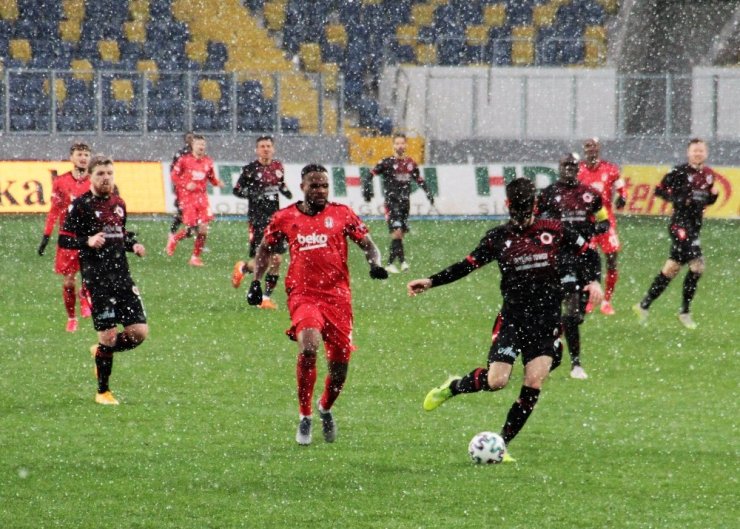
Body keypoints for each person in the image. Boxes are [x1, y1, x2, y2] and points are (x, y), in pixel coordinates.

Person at [409, 178, 603, 461]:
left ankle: (502, 444)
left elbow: (589, 253)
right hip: (513, 319)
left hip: (546, 321)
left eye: (528, 207)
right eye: (519, 207)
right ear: (508, 206)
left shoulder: (556, 230)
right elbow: (467, 265)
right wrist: (431, 281)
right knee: (497, 380)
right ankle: (453, 387)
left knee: (533, 382)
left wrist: (594, 281)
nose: (523, 212)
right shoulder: (498, 238)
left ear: (535, 205)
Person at [247, 164, 388, 445]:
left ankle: (325, 407)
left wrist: (375, 265)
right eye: (314, 185)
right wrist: (256, 281)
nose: (320, 190)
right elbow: (265, 247)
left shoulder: (342, 214)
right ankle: (305, 416)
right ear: (302, 187)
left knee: (339, 369)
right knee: (309, 346)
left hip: (337, 298)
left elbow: (369, 244)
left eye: (324, 185)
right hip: (303, 294)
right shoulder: (285, 217)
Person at [58, 155, 149, 405]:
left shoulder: (119, 203)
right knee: (108, 336)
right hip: (97, 280)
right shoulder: (81, 206)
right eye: (101, 174)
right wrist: (86, 241)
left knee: (139, 332)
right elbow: (64, 239)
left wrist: (134, 244)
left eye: (109, 173)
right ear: (91, 176)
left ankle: (101, 352)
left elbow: (119, 233)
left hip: (122, 277)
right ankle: (103, 392)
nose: (106, 177)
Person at [633, 138, 720, 330]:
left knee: (671, 269)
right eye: (694, 151)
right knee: (697, 266)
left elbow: (707, 200)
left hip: (694, 226)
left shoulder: (708, 175)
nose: (698, 154)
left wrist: (714, 196)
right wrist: (678, 199)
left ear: (706, 153)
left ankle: (643, 304)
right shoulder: (679, 171)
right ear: (688, 153)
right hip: (679, 225)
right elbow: (659, 191)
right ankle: (685, 312)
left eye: (701, 151)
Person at [537, 153, 610, 380]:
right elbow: (536, 223)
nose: (569, 169)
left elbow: (604, 220)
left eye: (572, 165)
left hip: (585, 258)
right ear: (559, 168)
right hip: (559, 258)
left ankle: (557, 336)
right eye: (565, 165)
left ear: (578, 168)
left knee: (576, 316)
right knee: (569, 305)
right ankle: (575, 364)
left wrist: (595, 231)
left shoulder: (591, 195)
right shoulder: (548, 194)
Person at [231, 135, 293, 310]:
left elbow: (280, 184)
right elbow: (237, 190)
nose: (265, 149)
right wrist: (251, 194)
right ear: (257, 150)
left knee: (277, 259)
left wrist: (286, 191)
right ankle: (243, 268)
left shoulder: (278, 167)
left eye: (268, 146)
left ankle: (265, 298)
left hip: (276, 219)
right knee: (263, 259)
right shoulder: (250, 169)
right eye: (262, 146)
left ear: (273, 149)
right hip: (258, 219)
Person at [38, 142, 93, 332]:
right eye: (79, 154)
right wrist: (46, 235)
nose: (83, 158)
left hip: (88, 236)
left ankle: (86, 298)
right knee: (69, 280)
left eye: (86, 155)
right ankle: (72, 317)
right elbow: (54, 210)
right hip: (68, 236)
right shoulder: (61, 182)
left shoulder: (94, 181)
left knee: (90, 275)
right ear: (72, 158)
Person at [363, 133, 435, 273]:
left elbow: (419, 180)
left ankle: (394, 263)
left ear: (406, 145)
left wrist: (428, 193)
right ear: (393, 145)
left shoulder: (410, 163)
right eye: (397, 143)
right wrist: (367, 189)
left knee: (400, 234)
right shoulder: (387, 162)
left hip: (404, 203)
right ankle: (400, 263)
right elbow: (370, 175)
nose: (400, 146)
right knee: (396, 233)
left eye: (402, 143)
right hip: (391, 203)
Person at [578, 137, 626, 315]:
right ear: (584, 149)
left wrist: (623, 196)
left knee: (612, 260)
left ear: (599, 148)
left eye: (594, 146)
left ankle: (607, 300)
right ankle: (590, 299)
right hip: (586, 223)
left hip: (606, 221)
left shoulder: (609, 169)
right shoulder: (579, 170)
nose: (591, 149)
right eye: (588, 146)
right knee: (587, 261)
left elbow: (621, 185)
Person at [166, 134, 225, 266]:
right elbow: (174, 176)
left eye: (203, 144)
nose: (201, 147)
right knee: (192, 229)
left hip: (202, 198)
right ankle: (174, 239)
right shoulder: (183, 160)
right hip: (187, 198)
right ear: (193, 145)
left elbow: (211, 177)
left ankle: (195, 257)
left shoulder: (208, 161)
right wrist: (185, 184)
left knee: (203, 228)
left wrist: (217, 183)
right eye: (198, 144)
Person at [168, 131, 194, 238]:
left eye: (192, 138)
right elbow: (173, 170)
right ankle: (172, 233)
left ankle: (191, 234)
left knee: (195, 212)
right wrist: (179, 184)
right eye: (188, 138)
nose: (190, 140)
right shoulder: (180, 154)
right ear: (185, 139)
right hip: (183, 188)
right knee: (181, 212)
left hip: (194, 188)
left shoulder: (197, 153)